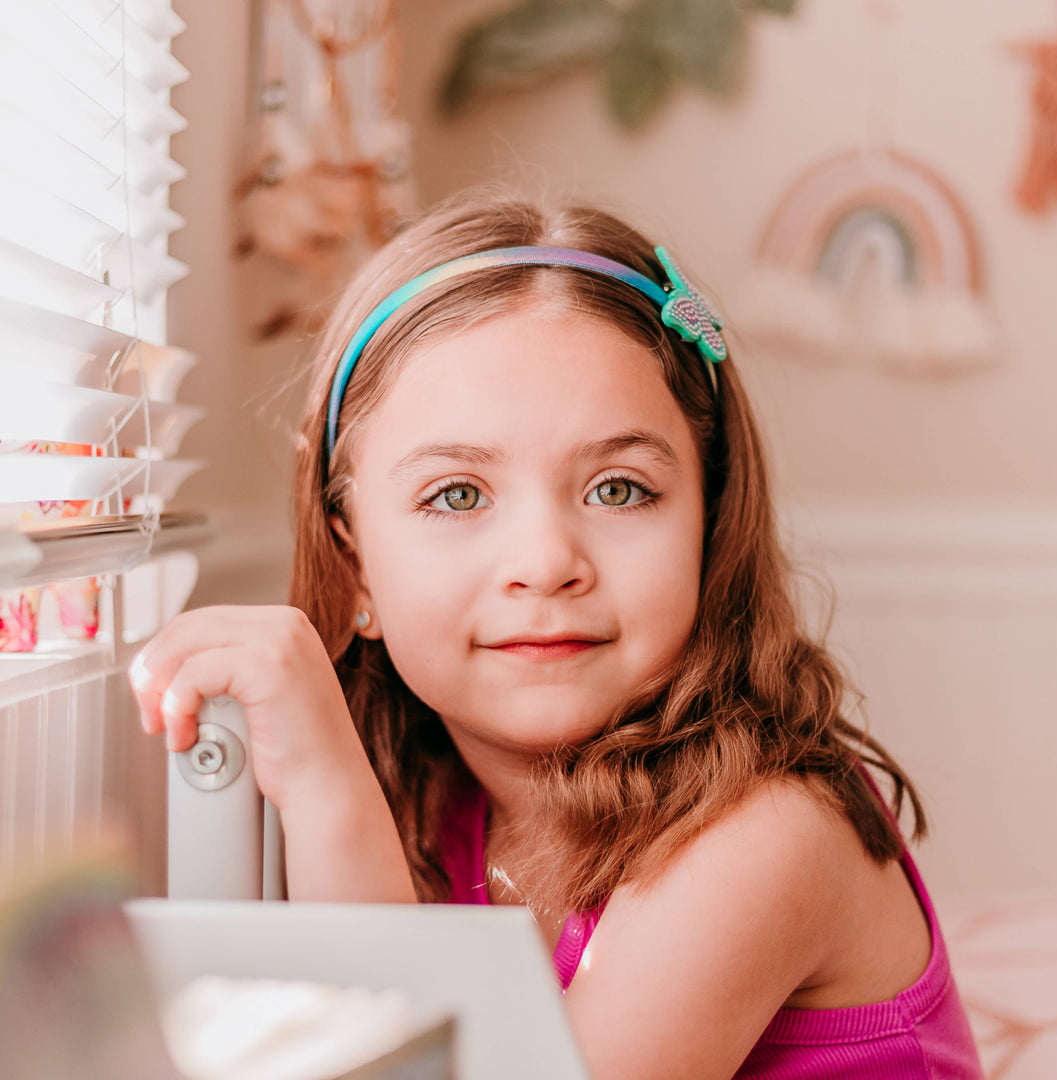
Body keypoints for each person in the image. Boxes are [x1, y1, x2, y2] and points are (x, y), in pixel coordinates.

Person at [130, 191, 984, 1079]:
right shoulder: (437, 810)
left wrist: (328, 792)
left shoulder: (766, 833)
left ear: (710, 525)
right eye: (457, 495)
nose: (544, 563)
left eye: (618, 488)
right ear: (354, 574)